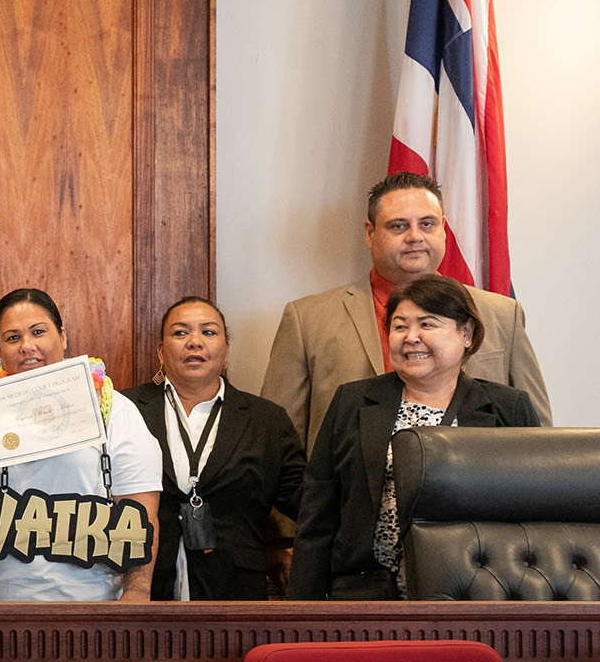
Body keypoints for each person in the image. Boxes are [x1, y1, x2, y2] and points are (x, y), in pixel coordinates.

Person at [290, 275, 543, 600]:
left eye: (427, 324)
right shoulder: (352, 402)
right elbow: (317, 516)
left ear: (466, 333)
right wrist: (303, 610)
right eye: (399, 326)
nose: (411, 338)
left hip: (475, 595)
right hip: (364, 595)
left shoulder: (508, 408)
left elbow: (531, 522)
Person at [263, 171, 549, 452]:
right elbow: (279, 442)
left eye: (427, 224)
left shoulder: (502, 314)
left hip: (477, 493)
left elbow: (540, 439)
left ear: (444, 229)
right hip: (350, 495)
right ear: (370, 233)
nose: (415, 237)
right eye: (398, 226)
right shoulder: (307, 319)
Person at [0, 288, 161, 601]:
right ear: (0, 349)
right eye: (13, 337)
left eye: (39, 332)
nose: (28, 346)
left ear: (63, 336)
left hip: (90, 602)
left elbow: (141, 512)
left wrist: (137, 591)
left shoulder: (115, 410)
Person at [122, 297, 304, 600]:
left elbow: (306, 502)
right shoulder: (125, 410)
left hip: (235, 590)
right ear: (160, 351)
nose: (195, 342)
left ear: (227, 349)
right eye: (180, 333)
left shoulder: (266, 420)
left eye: (208, 332)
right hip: (143, 588)